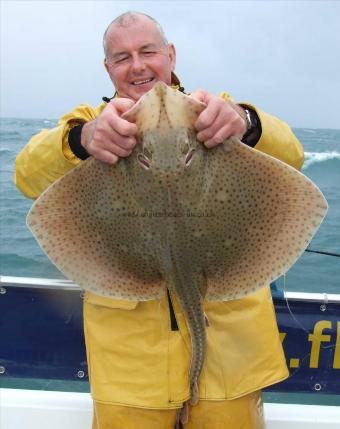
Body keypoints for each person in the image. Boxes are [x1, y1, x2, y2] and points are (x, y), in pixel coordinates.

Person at [15, 11, 304, 429]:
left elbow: (292, 156)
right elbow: (26, 174)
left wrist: (245, 122)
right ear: (108, 68)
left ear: (170, 54)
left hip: (231, 361)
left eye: (148, 51)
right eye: (122, 56)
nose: (137, 65)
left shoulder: (216, 110)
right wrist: (82, 140)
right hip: (132, 371)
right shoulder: (86, 124)